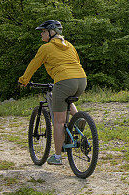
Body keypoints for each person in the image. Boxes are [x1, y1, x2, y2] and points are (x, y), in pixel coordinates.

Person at [18, 20, 87, 166]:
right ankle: (78, 117)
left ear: (51, 32)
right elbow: (77, 61)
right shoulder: (69, 45)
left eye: (43, 31)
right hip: (81, 79)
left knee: (59, 121)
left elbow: (33, 65)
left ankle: (57, 157)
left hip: (64, 81)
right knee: (68, 99)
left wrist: (24, 80)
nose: (41, 34)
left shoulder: (46, 48)